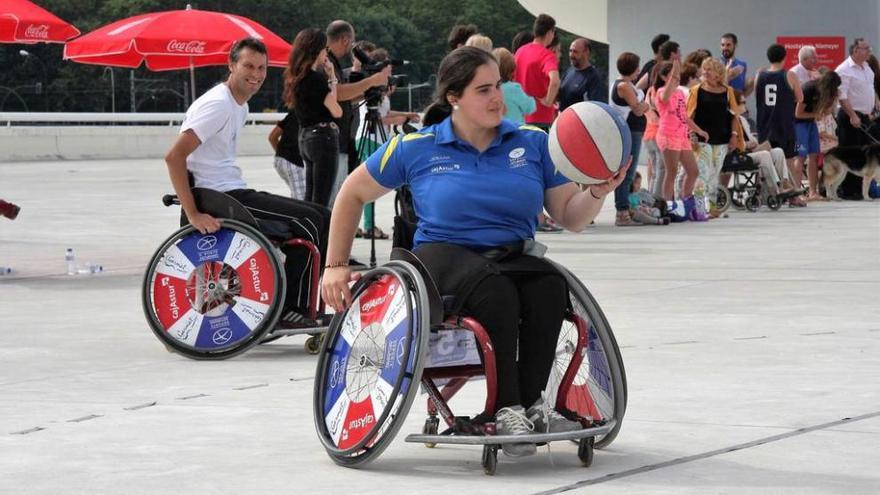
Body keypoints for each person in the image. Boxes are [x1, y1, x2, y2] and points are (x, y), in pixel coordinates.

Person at [320, 47, 629, 457]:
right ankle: (505, 409)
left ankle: (531, 404)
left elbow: (569, 216)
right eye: (483, 90)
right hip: (441, 256)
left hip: (509, 254)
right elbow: (352, 192)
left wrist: (597, 191)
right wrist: (335, 265)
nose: (497, 98)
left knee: (549, 286)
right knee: (494, 291)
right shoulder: (417, 147)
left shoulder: (534, 143)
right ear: (454, 97)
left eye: (497, 86)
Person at [164, 37, 330, 326]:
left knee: (323, 216)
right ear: (231, 65)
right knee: (310, 221)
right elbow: (174, 157)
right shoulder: (218, 105)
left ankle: (298, 303)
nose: (256, 74)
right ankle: (290, 310)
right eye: (248, 66)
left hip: (232, 190)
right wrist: (192, 213)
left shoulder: (238, 106)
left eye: (262, 68)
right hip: (218, 197)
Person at [325, 20, 392, 208]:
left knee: (338, 192)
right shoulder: (327, 62)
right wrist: (371, 81)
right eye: (352, 41)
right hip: (331, 140)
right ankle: (326, 236)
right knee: (332, 198)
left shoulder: (333, 62)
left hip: (341, 138)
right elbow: (340, 94)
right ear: (345, 39)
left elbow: (345, 98)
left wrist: (373, 91)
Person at [283, 28, 343, 208]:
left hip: (305, 138)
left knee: (310, 196)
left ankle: (307, 233)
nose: (327, 52)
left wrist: (330, 76)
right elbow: (337, 111)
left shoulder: (296, 78)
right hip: (323, 138)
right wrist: (332, 77)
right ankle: (319, 234)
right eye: (325, 48)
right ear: (316, 50)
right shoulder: (315, 79)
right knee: (321, 199)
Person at [687, 57, 745, 216]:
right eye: (704, 69)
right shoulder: (696, 91)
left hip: (722, 139)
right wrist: (692, 136)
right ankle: (698, 208)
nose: (704, 72)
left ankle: (711, 207)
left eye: (709, 69)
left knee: (714, 175)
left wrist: (734, 136)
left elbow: (734, 116)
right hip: (702, 140)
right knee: (702, 174)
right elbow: (689, 116)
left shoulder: (728, 92)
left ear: (718, 74)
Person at [653, 59, 706, 220]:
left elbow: (684, 116)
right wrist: (675, 70)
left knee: (693, 171)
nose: (676, 79)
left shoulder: (680, 93)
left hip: (681, 136)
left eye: (677, 76)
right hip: (668, 136)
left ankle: (686, 203)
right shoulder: (662, 92)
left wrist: (698, 130)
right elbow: (666, 96)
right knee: (672, 172)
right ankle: (669, 206)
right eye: (672, 77)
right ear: (664, 77)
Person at [755, 43, 804, 205]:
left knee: (763, 160)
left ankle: (763, 194)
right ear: (785, 57)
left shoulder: (760, 75)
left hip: (765, 125)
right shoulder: (789, 75)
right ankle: (793, 197)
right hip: (783, 125)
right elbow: (800, 97)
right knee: (789, 161)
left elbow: (758, 96)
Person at [835, 38, 880, 200]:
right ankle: (848, 190)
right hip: (850, 117)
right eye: (866, 48)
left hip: (865, 117)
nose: (870, 51)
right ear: (855, 50)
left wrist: (875, 101)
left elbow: (870, 88)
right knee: (851, 154)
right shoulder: (844, 70)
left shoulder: (867, 67)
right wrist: (852, 115)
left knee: (865, 155)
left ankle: (862, 191)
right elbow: (842, 96)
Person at [609, 51, 650, 225]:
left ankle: (625, 208)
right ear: (633, 68)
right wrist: (646, 105)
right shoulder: (623, 86)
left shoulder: (628, 85)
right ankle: (622, 212)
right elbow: (638, 109)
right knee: (627, 172)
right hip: (629, 131)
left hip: (634, 131)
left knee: (629, 172)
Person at [795, 70, 842, 201]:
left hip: (810, 123)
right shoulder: (808, 89)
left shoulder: (827, 93)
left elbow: (826, 113)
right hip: (798, 124)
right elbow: (797, 114)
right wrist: (814, 115)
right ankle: (797, 192)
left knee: (814, 157)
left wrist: (833, 100)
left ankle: (812, 192)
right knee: (800, 157)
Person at [514, 13, 559, 131]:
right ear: (549, 32)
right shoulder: (547, 55)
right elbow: (555, 81)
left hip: (520, 116)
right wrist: (548, 101)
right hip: (541, 117)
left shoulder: (519, 52)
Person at [558, 38, 606, 111]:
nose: (571, 55)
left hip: (581, 120)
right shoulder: (568, 72)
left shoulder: (593, 77)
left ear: (586, 52)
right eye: (570, 51)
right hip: (563, 119)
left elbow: (596, 107)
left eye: (575, 52)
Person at [494, 47, 535, 123]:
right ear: (511, 68)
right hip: (515, 131)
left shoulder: (491, 89)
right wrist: (533, 97)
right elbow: (530, 107)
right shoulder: (514, 88)